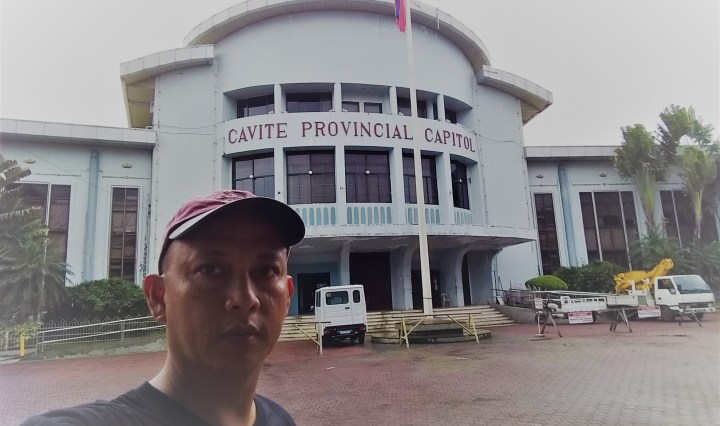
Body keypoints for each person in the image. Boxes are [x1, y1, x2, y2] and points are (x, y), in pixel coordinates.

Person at [23, 189, 306, 426]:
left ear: (288, 297)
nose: (245, 298)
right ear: (158, 297)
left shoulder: (280, 419)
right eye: (210, 269)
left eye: (266, 271)